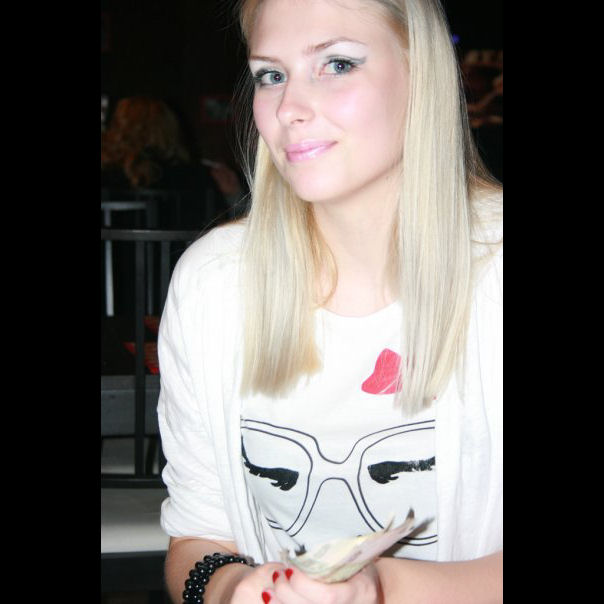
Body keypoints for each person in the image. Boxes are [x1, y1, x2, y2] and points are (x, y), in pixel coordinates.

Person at [157, 0, 503, 602]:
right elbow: (197, 535)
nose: (288, 107)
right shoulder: (212, 283)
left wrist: (380, 589)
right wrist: (234, 588)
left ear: (422, 72)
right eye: (271, 74)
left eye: (337, 64)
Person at [101, 96, 246, 229]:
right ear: (169, 129)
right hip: (186, 250)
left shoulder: (108, 176)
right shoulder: (196, 176)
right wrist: (235, 195)